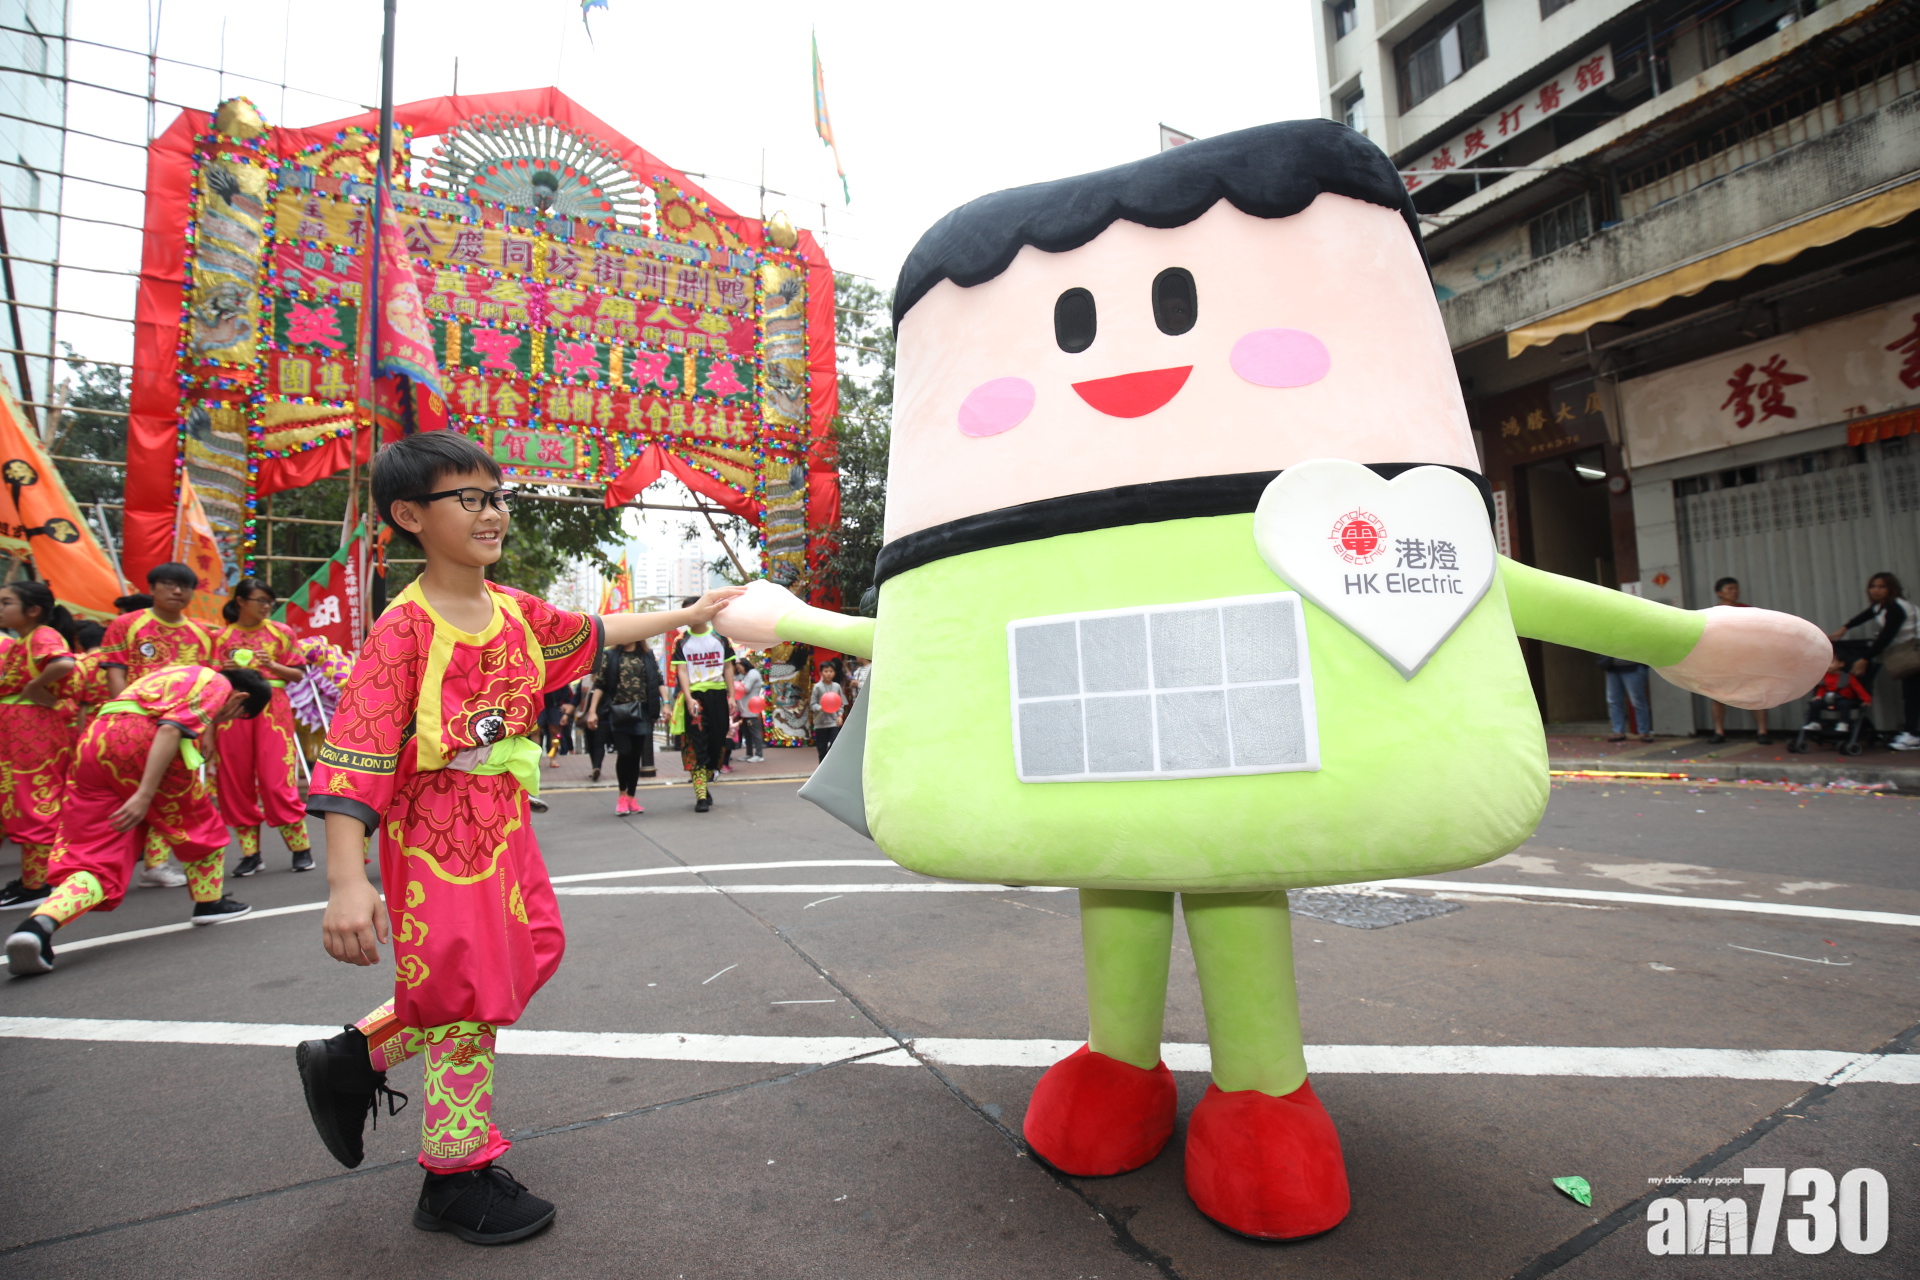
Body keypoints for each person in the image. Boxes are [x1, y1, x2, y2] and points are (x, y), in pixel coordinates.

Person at [291, 432, 741, 1246]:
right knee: (468, 997)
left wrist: (691, 612)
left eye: (497, 495)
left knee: (530, 950)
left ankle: (360, 1055)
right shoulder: (403, 630)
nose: (493, 511)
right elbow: (352, 758)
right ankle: (453, 1175)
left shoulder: (514, 610)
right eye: (470, 497)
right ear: (410, 516)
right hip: (433, 834)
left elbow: (592, 631)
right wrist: (345, 883)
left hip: (503, 826)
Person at [5, 664, 268, 975]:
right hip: (143, 743)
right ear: (240, 696)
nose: (227, 720)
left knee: (94, 857)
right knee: (201, 827)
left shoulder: (179, 673)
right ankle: (209, 903)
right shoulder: (216, 683)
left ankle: (37, 926)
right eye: (237, 714)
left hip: (95, 742)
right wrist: (144, 794)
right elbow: (171, 729)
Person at [100, 562, 216, 888]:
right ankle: (103, 866)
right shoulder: (126, 625)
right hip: (134, 725)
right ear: (152, 588)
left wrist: (207, 732)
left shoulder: (203, 635)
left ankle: (156, 863)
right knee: (122, 794)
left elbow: (209, 688)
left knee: (170, 794)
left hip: (182, 729)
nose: (177, 591)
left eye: (184, 586)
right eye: (168, 584)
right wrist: (123, 718)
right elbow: (115, 672)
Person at [212, 578, 313, 877]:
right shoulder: (220, 638)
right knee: (235, 781)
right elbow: (208, 679)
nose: (267, 607)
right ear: (241, 602)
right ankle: (250, 854)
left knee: (275, 780)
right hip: (233, 710)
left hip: (273, 709)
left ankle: (301, 849)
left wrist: (272, 665)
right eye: (260, 601)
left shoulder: (280, 633)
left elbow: (297, 674)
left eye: (270, 601)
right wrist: (223, 672)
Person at [0, 582, 78, 911]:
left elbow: (64, 663)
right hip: (16, 730)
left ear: (32, 610)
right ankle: (33, 880)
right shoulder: (22, 640)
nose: (1, 608)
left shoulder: (42, 635)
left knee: (35, 800)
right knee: (17, 800)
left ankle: (37, 883)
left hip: (33, 732)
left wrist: (34, 685)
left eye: (6, 603)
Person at [1829, 571, 1919, 751]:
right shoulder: (1881, 607)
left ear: (1891, 589)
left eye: (1882, 587)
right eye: (1873, 586)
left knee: (1912, 694)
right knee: (1911, 695)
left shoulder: (1896, 608)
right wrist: (1844, 628)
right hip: (1911, 652)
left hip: (1914, 652)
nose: (1876, 590)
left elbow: (1886, 637)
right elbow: (1864, 616)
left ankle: (1912, 735)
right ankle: (1911, 733)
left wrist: (1865, 658)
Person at [671, 603, 736, 813]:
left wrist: (732, 695)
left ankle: (705, 782)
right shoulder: (681, 641)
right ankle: (700, 795)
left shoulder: (721, 637)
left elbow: (728, 667)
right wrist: (688, 698)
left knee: (717, 743)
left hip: (718, 695)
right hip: (696, 697)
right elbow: (681, 671)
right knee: (697, 743)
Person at [586, 638, 663, 814]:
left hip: (642, 711)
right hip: (618, 711)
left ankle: (631, 797)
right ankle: (621, 796)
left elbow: (658, 680)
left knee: (636, 756)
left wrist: (666, 703)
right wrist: (592, 711)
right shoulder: (611, 655)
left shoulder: (647, 655)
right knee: (625, 752)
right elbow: (600, 684)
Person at [1705, 578, 1770, 744]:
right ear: (1719, 593)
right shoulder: (1712, 613)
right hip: (1721, 659)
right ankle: (1719, 731)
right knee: (1718, 696)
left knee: (1755, 693)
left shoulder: (1748, 610)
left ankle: (1762, 731)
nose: (1734, 591)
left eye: (1736, 588)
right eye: (1729, 588)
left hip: (1747, 658)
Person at [1595, 654, 1653, 744]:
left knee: (1637, 701)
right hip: (1612, 668)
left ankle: (1644, 732)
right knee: (1613, 701)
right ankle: (1618, 731)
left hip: (1634, 667)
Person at [809, 659, 846, 763]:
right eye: (826, 671)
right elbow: (812, 704)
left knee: (834, 745)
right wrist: (819, 708)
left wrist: (840, 715)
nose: (829, 674)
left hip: (833, 722)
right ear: (821, 673)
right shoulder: (817, 687)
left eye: (831, 671)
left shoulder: (836, 686)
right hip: (821, 723)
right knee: (822, 748)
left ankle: (830, 765)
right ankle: (821, 767)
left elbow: (840, 703)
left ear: (834, 673)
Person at [736, 658, 766, 762]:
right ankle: (749, 753)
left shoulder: (753, 673)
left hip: (751, 709)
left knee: (754, 732)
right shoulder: (747, 675)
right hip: (745, 709)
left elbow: (746, 688)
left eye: (739, 668)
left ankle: (759, 754)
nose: (739, 671)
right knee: (747, 733)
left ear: (744, 665)